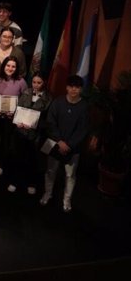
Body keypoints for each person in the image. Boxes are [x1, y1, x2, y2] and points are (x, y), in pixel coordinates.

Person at [40, 75, 88, 212]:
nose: (74, 89)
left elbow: (82, 130)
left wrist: (69, 145)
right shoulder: (58, 102)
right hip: (55, 143)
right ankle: (47, 193)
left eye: (77, 87)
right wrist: (59, 141)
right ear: (67, 87)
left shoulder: (84, 107)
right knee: (50, 171)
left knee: (70, 175)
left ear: (80, 89)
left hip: (73, 148)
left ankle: (66, 200)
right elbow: (50, 123)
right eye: (71, 86)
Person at [12, 73, 51, 195]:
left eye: (39, 82)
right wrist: (17, 121)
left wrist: (35, 125)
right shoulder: (26, 93)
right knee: (18, 157)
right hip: (21, 132)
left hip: (35, 135)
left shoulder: (49, 98)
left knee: (32, 160)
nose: (36, 85)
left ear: (44, 83)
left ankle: (31, 183)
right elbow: (18, 110)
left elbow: (48, 120)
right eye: (34, 82)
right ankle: (15, 181)